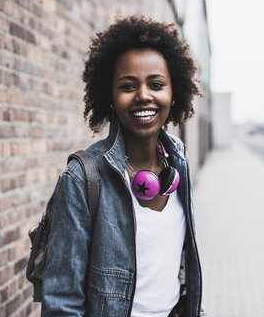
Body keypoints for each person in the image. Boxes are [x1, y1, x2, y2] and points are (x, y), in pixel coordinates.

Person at [41, 16, 205, 317]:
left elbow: (185, 273)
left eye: (156, 84)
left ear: (174, 92)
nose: (144, 95)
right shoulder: (82, 179)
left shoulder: (179, 167)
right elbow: (62, 303)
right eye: (128, 86)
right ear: (111, 98)